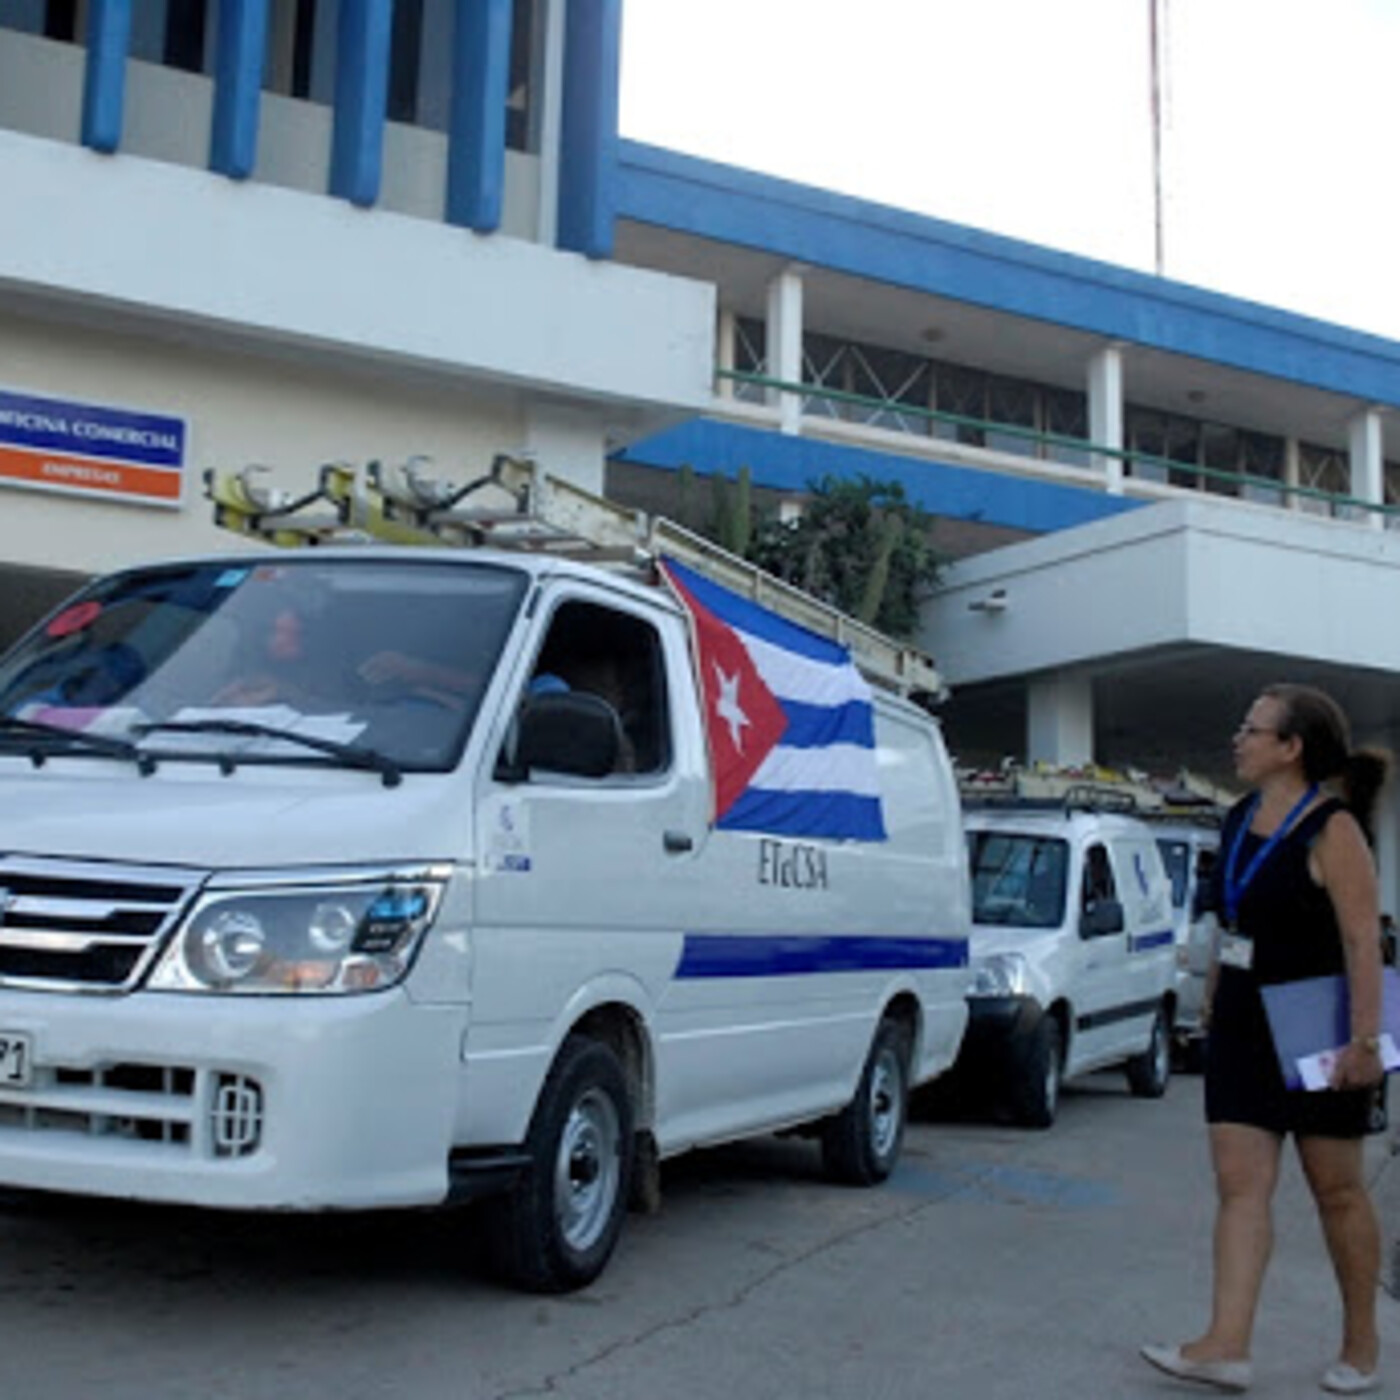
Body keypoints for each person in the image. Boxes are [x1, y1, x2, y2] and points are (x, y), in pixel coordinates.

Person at [1142, 683, 1391, 1396]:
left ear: (1291, 748)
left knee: (1336, 1190)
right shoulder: (1238, 817)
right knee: (1239, 1185)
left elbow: (1362, 941)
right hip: (1243, 1023)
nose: (1238, 739)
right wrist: (1213, 1001)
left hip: (1319, 1024)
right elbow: (1233, 922)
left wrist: (1366, 1043)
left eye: (1252, 730)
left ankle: (1362, 1344)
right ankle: (1225, 1345)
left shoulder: (1334, 829)